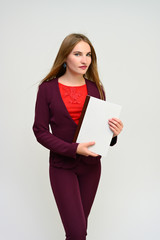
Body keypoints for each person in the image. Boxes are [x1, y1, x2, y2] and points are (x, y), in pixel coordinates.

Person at [32, 33, 123, 240]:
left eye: (88, 55)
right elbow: (40, 131)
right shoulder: (47, 89)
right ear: (65, 57)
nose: (84, 60)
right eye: (78, 54)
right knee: (77, 233)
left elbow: (101, 133)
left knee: (78, 232)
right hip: (62, 167)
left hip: (91, 167)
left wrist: (113, 134)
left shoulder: (96, 88)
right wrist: (73, 149)